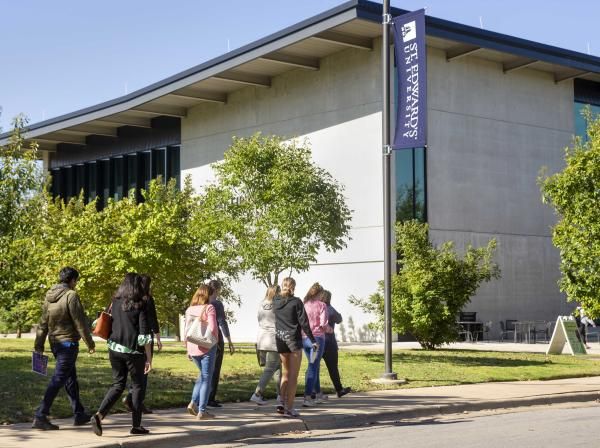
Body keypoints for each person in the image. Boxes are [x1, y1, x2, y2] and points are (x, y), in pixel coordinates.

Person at [32, 267, 96, 430]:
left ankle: (79, 414)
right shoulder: (71, 295)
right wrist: (90, 343)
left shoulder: (49, 296)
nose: (76, 284)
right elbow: (79, 322)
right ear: (72, 280)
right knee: (59, 378)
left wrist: (39, 345)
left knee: (70, 378)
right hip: (68, 343)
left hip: (55, 343)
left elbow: (43, 323)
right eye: (76, 281)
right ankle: (41, 415)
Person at [91, 273, 153, 437]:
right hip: (133, 352)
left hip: (114, 348)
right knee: (138, 385)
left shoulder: (115, 302)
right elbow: (144, 335)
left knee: (118, 384)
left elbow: (100, 321)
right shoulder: (141, 304)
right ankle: (136, 426)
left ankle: (99, 415)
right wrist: (149, 358)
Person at [273, 277, 317, 418]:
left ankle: (281, 401)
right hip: (293, 340)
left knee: (285, 373)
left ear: (282, 286)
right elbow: (304, 322)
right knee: (293, 376)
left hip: (280, 339)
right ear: (293, 287)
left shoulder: (276, 301)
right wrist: (313, 339)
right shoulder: (296, 302)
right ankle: (290, 408)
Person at [123, 274, 162, 414]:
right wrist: (157, 337)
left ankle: (131, 396)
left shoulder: (129, 299)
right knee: (144, 370)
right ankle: (136, 401)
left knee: (134, 371)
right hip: (144, 337)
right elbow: (153, 319)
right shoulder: (147, 299)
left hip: (129, 338)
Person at [184, 284, 219, 419]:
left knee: (202, 375)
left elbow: (186, 330)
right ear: (208, 295)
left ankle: (193, 403)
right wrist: (214, 341)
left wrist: (187, 347)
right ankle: (202, 410)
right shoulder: (209, 307)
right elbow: (213, 327)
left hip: (192, 347)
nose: (213, 297)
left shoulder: (189, 310)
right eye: (212, 295)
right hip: (206, 347)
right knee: (206, 379)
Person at [250, 285, 282, 406]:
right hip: (273, 338)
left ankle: (280, 394)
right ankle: (257, 394)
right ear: (277, 293)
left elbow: (259, 319)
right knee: (270, 369)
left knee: (277, 367)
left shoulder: (261, 304)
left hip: (262, 338)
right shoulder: (277, 305)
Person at [207, 279, 235, 408]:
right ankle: (210, 397)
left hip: (203, 338)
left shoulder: (203, 301)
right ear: (218, 290)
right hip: (216, 339)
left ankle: (202, 396)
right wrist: (229, 340)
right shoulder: (217, 304)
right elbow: (222, 322)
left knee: (205, 369)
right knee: (215, 369)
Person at [320, 290, 351, 398]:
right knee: (333, 367)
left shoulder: (315, 308)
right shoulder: (330, 309)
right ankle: (339, 389)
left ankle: (314, 391)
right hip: (329, 343)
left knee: (313, 367)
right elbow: (339, 319)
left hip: (316, 342)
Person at [301, 283, 328, 407]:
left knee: (314, 365)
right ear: (320, 294)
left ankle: (318, 394)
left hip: (305, 339)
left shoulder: (304, 305)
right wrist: (329, 330)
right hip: (316, 340)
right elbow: (323, 324)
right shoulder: (322, 305)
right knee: (313, 366)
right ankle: (307, 397)